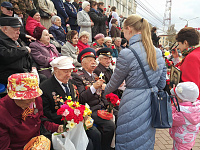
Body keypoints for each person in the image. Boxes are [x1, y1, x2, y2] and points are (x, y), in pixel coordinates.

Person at [104, 14, 166, 149]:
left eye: (123, 30)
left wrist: (102, 91)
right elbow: (162, 84)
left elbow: (114, 83)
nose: (122, 32)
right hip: (151, 102)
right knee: (145, 140)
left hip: (132, 102)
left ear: (129, 28)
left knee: (128, 139)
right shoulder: (158, 52)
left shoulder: (127, 53)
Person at [40, 56, 101, 150]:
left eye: (70, 71)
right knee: (88, 145)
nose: (68, 74)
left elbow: (77, 101)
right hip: (60, 124)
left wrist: (83, 114)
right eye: (65, 71)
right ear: (55, 70)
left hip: (77, 121)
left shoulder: (71, 83)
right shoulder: (45, 87)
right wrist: (68, 118)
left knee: (96, 134)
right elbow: (47, 113)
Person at [0, 73, 63, 150]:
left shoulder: (36, 100)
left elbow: (40, 120)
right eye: (27, 97)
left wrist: (56, 127)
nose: (33, 100)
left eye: (34, 95)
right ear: (14, 97)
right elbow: (3, 147)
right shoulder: (2, 114)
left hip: (38, 143)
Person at [72, 48, 116, 150]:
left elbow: (103, 93)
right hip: (90, 109)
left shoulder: (95, 75)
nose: (93, 63)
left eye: (94, 60)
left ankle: (114, 145)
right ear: (83, 63)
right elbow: (81, 98)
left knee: (119, 114)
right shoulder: (78, 76)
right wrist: (94, 87)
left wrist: (108, 106)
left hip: (101, 106)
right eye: (90, 61)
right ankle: (105, 148)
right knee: (109, 126)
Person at [0, 17, 32, 85]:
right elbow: (5, 56)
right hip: (10, 76)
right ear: (5, 29)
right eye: (15, 30)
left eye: (19, 30)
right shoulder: (2, 40)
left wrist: (33, 68)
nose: (18, 32)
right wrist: (25, 50)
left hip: (24, 72)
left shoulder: (15, 39)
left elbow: (28, 55)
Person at [169, 82, 200, 150]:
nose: (176, 98)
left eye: (177, 97)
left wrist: (173, 107)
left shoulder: (182, 113)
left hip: (181, 139)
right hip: (189, 139)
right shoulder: (196, 107)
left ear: (182, 98)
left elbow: (171, 120)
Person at [172, 27, 200, 99]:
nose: (178, 47)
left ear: (185, 43)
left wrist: (173, 90)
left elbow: (188, 88)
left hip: (192, 103)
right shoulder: (196, 53)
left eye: (179, 44)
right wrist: (176, 59)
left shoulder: (192, 57)